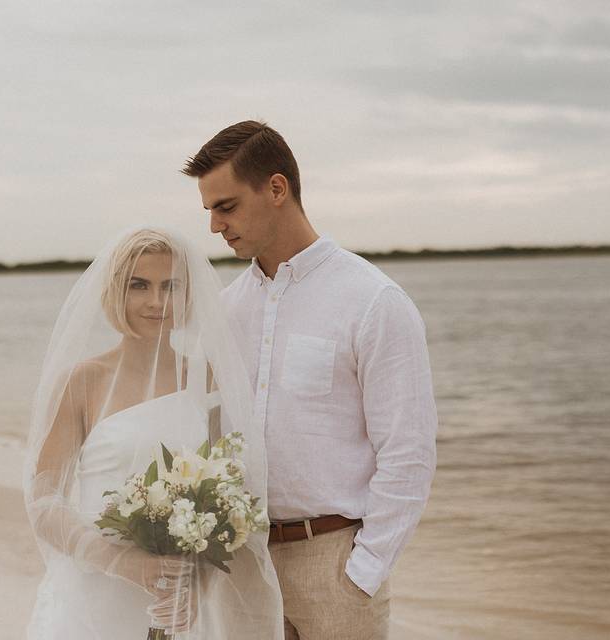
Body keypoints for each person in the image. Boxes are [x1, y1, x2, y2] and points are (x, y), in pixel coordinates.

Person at [182, 121, 438, 639]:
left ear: (276, 189)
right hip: (243, 563)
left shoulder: (373, 301)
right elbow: (210, 436)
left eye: (226, 206)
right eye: (209, 209)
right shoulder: (227, 310)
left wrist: (362, 573)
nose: (213, 225)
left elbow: (408, 451)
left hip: (335, 566)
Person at [23, 226, 285, 639]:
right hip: (96, 595)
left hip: (178, 600)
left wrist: (197, 585)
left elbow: (227, 497)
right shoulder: (82, 381)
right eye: (139, 285)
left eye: (171, 286)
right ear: (114, 292)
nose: (156, 302)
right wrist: (120, 561)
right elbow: (43, 500)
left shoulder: (207, 379)